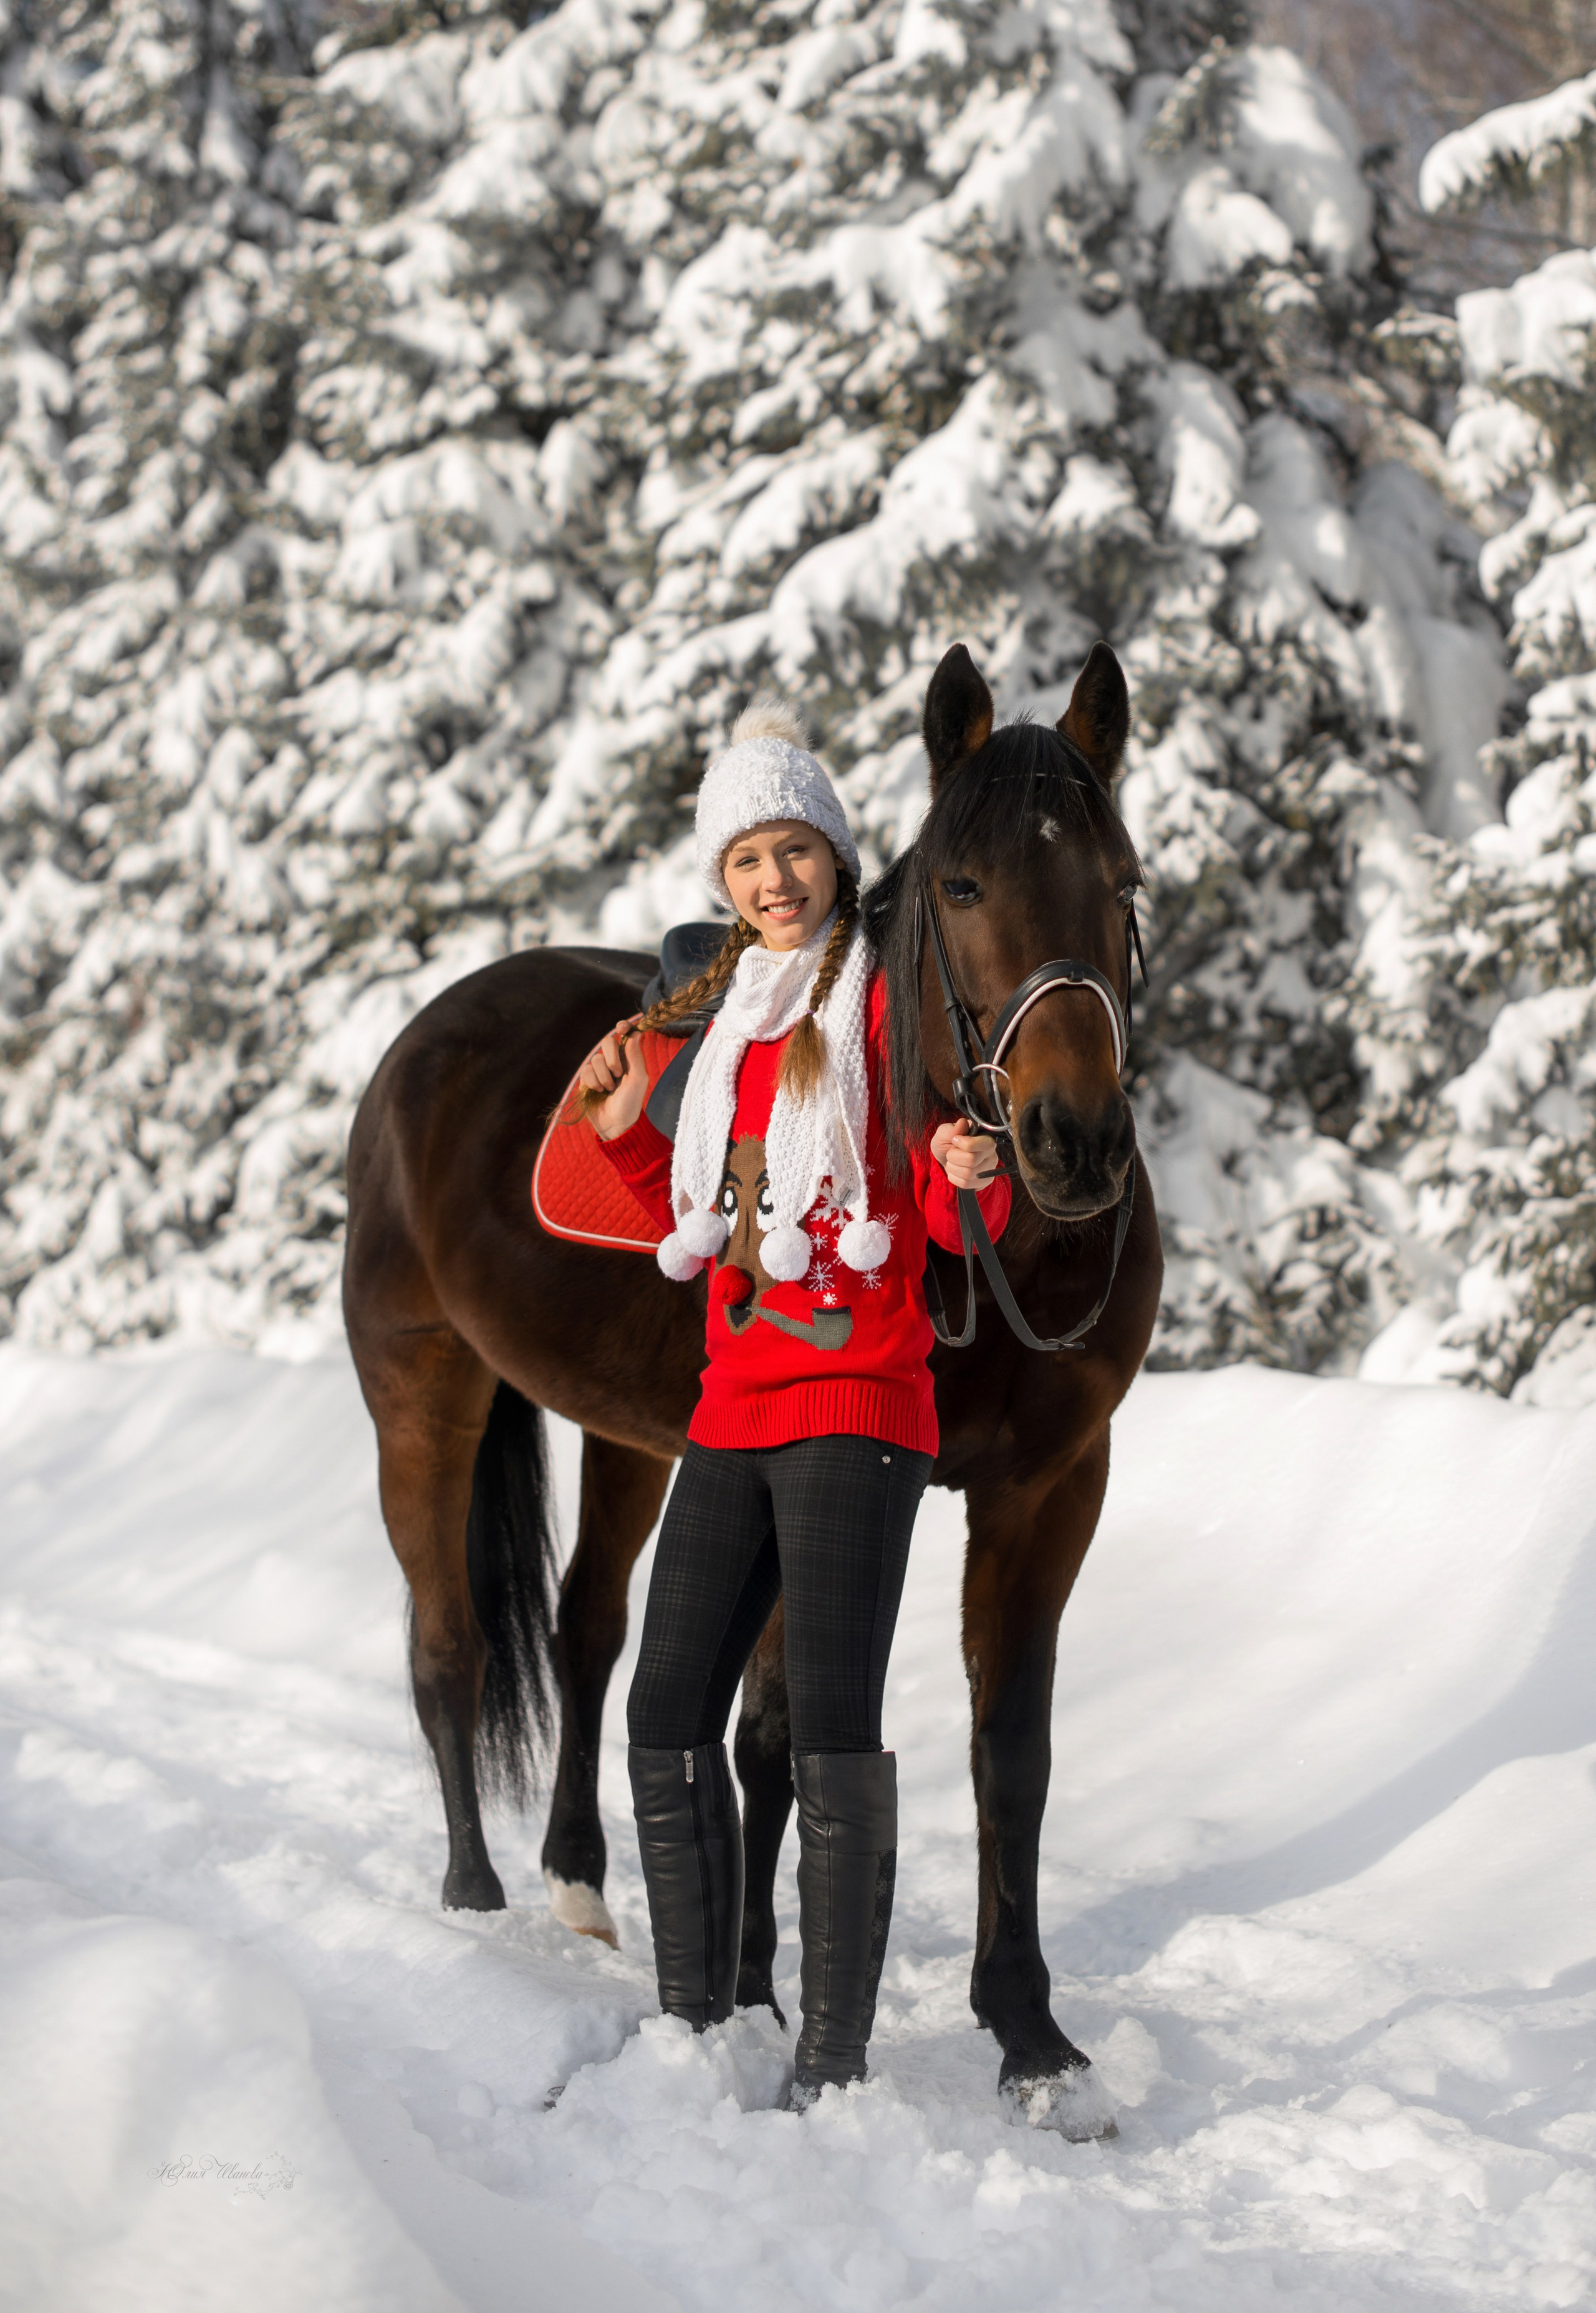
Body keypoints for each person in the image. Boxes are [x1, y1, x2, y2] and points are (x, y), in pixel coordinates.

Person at [575, 699, 1009, 2109]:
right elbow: (704, 1231)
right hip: (732, 1407)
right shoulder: (730, 1026)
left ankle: (831, 2060)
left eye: (794, 851)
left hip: (856, 1409)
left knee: (828, 1725)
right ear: (723, 883)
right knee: (662, 1711)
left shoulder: (879, 995)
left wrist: (962, 1164)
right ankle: (697, 2026)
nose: (773, 880)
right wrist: (630, 1137)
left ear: (833, 854)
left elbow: (948, 1238)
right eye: (745, 861)